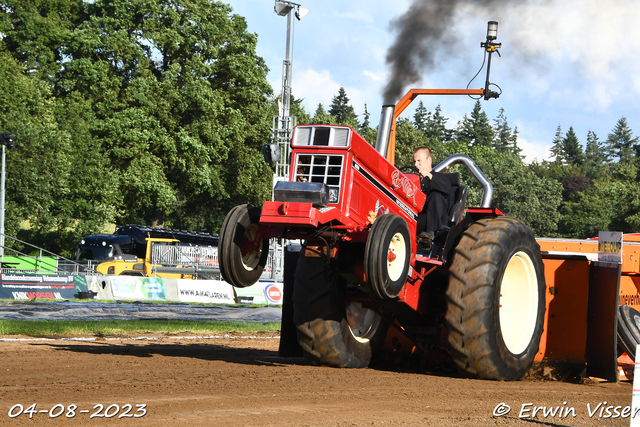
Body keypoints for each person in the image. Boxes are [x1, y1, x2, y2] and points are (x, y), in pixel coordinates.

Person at [413, 147, 451, 249]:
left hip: (437, 220)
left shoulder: (440, 177)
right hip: (418, 217)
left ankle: (430, 236)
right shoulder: (414, 180)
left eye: (419, 161)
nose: (416, 164)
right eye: (414, 161)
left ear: (429, 160)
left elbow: (447, 188)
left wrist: (429, 177)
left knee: (435, 195)